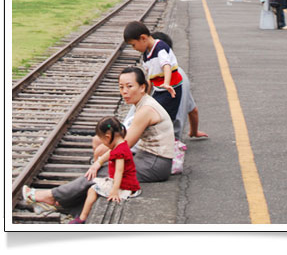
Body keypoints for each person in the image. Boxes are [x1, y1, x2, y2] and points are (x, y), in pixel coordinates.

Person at [22, 67, 175, 217]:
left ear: (142, 87)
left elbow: (124, 145)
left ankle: (51, 196)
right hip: (149, 157)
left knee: (104, 172)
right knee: (104, 171)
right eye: (121, 87)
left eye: (129, 86)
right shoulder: (142, 103)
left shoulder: (146, 110)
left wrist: (99, 161)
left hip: (156, 162)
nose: (124, 91)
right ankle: (58, 203)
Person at [67, 116, 141, 224]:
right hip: (126, 182)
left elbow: (119, 172)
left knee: (93, 189)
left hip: (124, 186)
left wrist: (114, 191)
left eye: (102, 140)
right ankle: (82, 217)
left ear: (107, 137)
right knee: (94, 186)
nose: (103, 144)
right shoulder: (122, 145)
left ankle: (82, 219)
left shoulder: (120, 151)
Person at [151, 32, 208, 141]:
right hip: (175, 138)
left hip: (159, 139)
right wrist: (194, 132)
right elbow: (193, 110)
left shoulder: (159, 78)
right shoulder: (180, 75)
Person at [124, 21, 183, 121]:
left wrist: (167, 83)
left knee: (159, 114)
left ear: (143, 38)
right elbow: (150, 77)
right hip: (159, 90)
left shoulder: (160, 48)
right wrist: (145, 95)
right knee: (150, 109)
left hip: (170, 89)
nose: (134, 48)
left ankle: (169, 136)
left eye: (133, 45)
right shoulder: (146, 55)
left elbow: (166, 66)